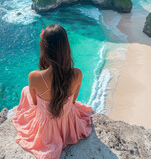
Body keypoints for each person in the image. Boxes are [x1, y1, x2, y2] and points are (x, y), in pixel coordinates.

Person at [12, 24, 93, 159]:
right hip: (68, 122)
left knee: (25, 90)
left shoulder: (34, 76)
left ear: (45, 49)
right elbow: (73, 101)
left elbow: (35, 102)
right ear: (66, 48)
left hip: (46, 127)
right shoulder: (77, 74)